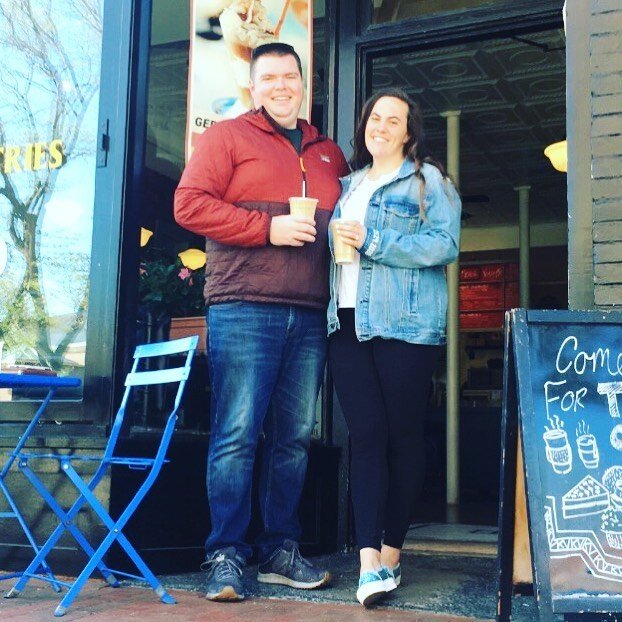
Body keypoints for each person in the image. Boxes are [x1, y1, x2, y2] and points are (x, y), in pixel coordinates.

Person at [174, 42, 348, 602]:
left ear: (303, 83)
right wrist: (264, 229)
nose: (280, 85)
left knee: (293, 440)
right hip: (244, 306)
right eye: (268, 77)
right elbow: (189, 204)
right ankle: (225, 552)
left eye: (289, 77)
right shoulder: (226, 138)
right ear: (254, 86)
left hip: (309, 311)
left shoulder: (329, 153)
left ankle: (279, 548)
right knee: (236, 436)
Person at [326, 88, 461, 607]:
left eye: (393, 120)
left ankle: (391, 554)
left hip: (404, 323)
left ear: (409, 132)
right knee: (366, 434)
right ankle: (366, 564)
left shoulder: (430, 181)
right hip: (345, 321)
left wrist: (374, 240)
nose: (381, 126)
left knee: (402, 436)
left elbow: (445, 245)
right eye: (374, 117)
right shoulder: (348, 184)